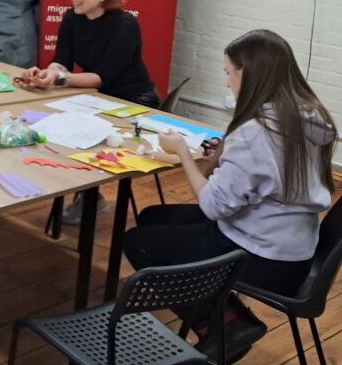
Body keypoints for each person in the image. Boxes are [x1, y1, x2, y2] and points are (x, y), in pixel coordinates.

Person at [123, 29, 337, 362]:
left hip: (264, 259)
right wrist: (225, 155)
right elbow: (266, 172)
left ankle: (225, 323)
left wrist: (182, 151)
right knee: (153, 217)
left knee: (137, 242)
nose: (226, 82)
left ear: (246, 73)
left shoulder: (255, 133)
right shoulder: (309, 117)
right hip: (292, 248)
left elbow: (212, 206)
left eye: (228, 72)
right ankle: (221, 307)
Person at [18, 0, 159, 223]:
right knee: (62, 127)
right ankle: (88, 196)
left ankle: (90, 199)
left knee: (85, 135)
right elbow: (61, 61)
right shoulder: (72, 18)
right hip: (96, 97)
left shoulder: (125, 24)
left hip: (133, 100)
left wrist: (59, 79)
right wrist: (49, 73)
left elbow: (102, 76)